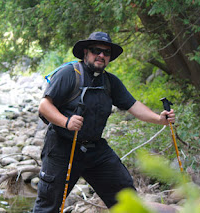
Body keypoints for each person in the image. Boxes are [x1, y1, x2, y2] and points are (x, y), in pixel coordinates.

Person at [33, 32, 175, 212]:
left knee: (124, 194)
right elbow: (45, 106)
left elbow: (133, 105)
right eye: (96, 50)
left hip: (94, 149)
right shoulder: (69, 74)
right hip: (62, 147)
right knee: (49, 205)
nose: (101, 55)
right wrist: (66, 122)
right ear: (86, 52)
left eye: (106, 53)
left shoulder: (110, 82)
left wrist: (159, 119)